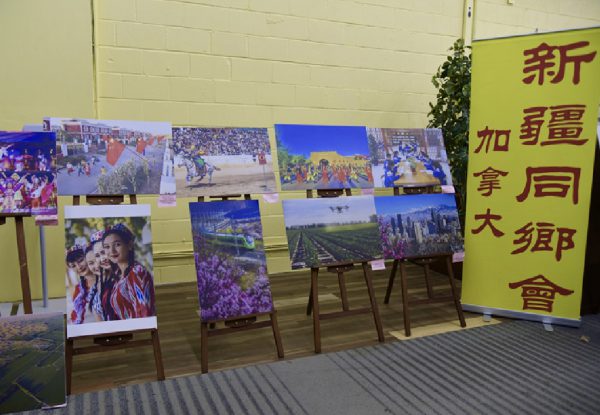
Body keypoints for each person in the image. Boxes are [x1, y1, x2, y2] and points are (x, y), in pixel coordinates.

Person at [102, 223, 155, 320]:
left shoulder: (137, 272)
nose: (112, 251)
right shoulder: (117, 276)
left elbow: (145, 312)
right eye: (107, 247)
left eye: (117, 245)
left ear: (129, 245)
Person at [66, 245, 99, 324]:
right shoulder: (78, 290)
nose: (78, 267)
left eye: (80, 261)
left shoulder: (106, 280)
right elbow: (75, 316)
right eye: (73, 266)